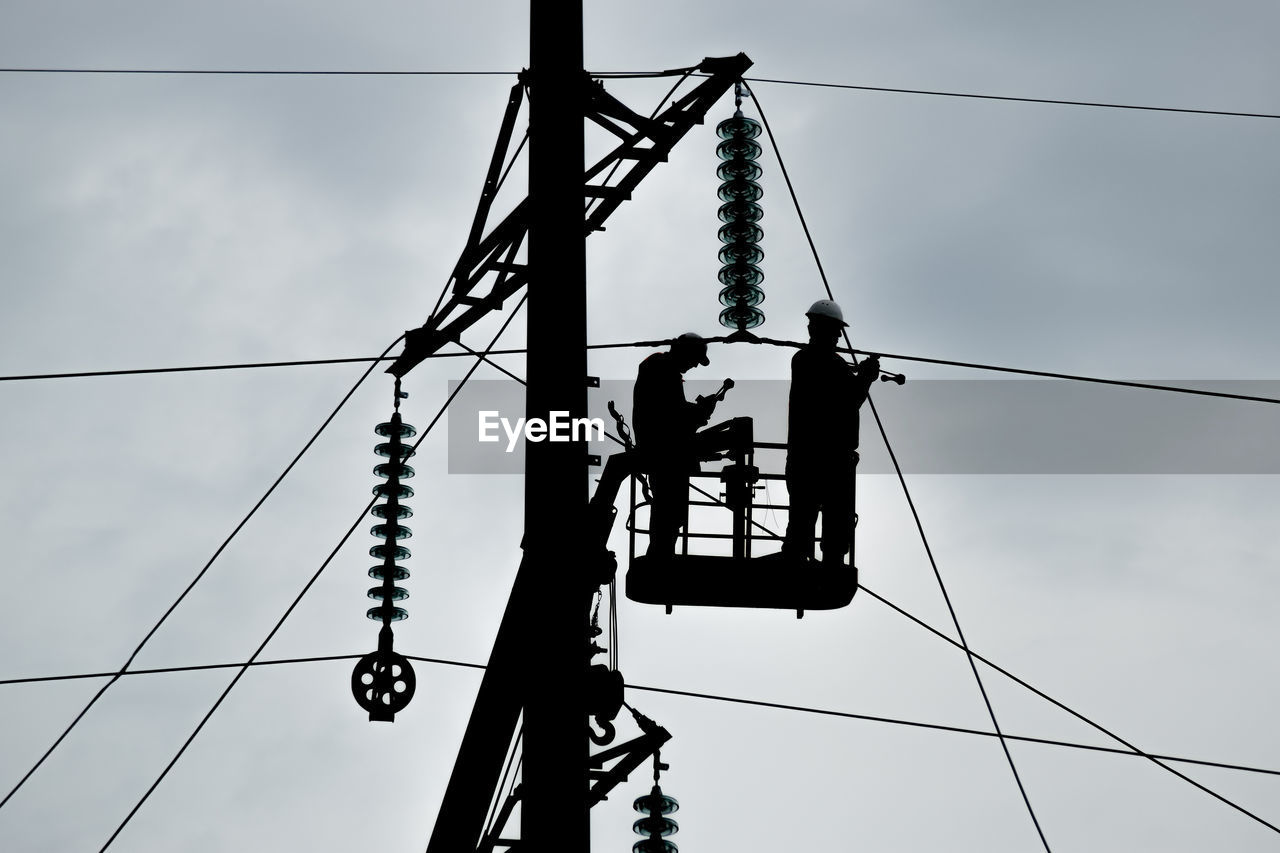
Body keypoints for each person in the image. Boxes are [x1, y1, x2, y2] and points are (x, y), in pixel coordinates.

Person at [782, 300, 879, 566]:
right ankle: (823, 564)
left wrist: (858, 375)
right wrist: (866, 378)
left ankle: (799, 559)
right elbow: (848, 400)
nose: (838, 336)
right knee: (830, 517)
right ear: (819, 329)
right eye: (835, 330)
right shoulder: (823, 363)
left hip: (807, 457)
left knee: (805, 515)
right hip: (828, 459)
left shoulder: (807, 360)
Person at [632, 332, 717, 558]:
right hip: (666, 455)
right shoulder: (664, 370)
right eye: (694, 360)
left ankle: (660, 556)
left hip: (659, 450)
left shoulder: (658, 367)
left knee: (667, 514)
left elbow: (670, 411)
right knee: (668, 514)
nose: (694, 366)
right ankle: (660, 559)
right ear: (685, 353)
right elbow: (671, 416)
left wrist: (696, 413)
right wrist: (699, 412)